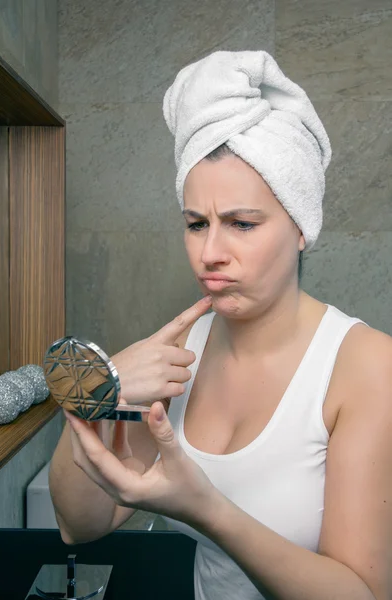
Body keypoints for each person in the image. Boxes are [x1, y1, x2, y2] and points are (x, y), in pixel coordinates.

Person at [49, 50, 392, 600]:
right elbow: (80, 526)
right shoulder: (180, 350)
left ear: (301, 226)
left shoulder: (366, 367)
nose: (210, 252)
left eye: (241, 223)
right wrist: (95, 394)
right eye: (195, 223)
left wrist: (207, 509)